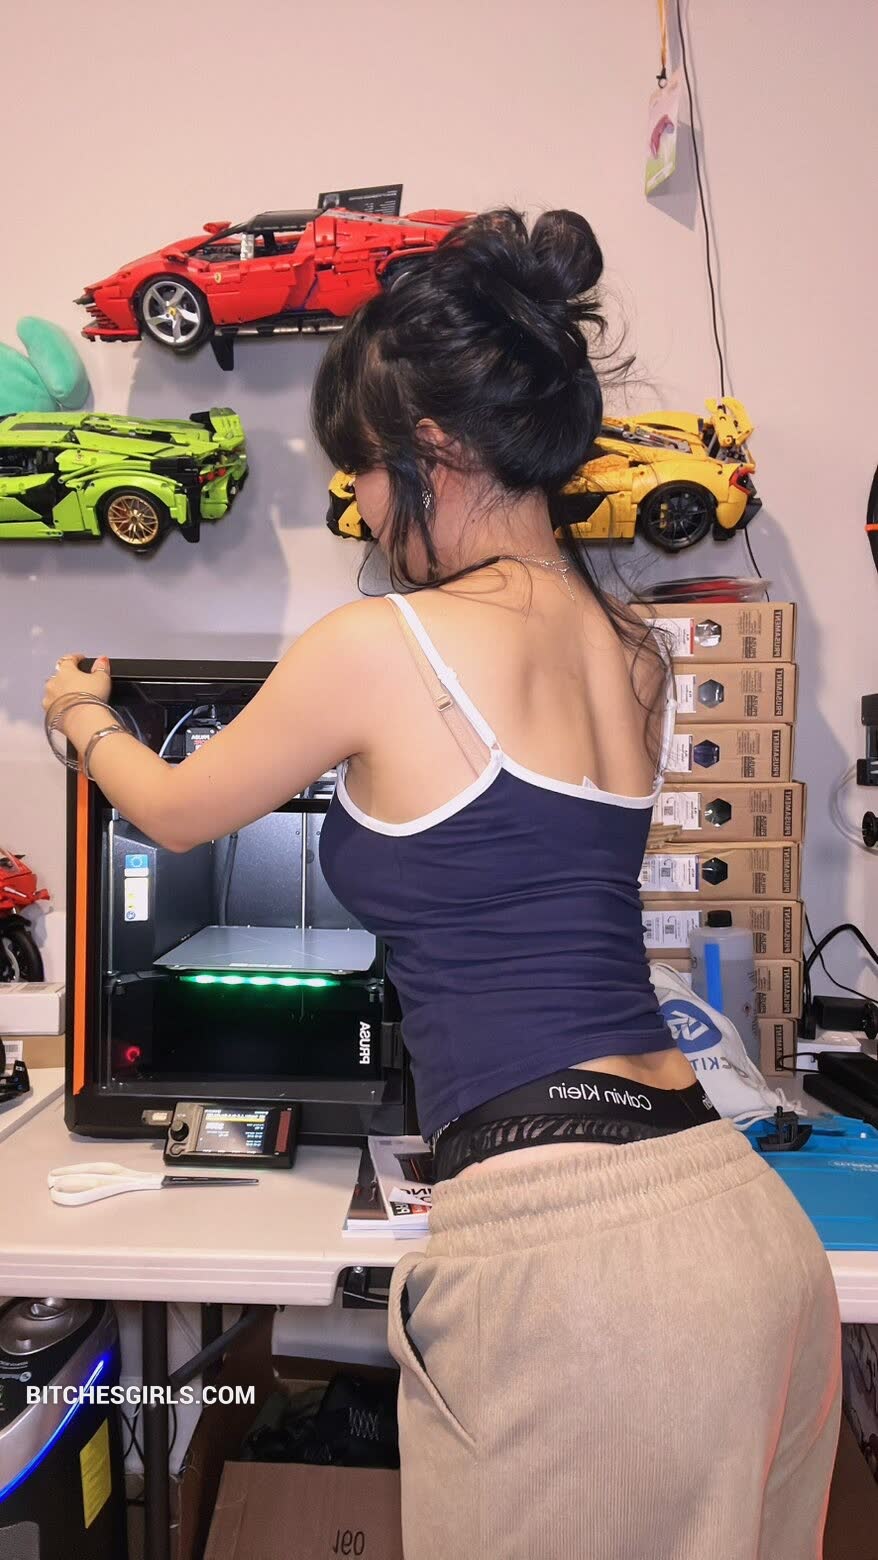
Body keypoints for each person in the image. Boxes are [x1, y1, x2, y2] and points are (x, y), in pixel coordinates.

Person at [43, 209, 840, 1560]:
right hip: (734, 1225)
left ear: (433, 449)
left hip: (573, 1266)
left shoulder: (382, 644)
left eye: (359, 471)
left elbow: (172, 810)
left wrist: (80, 718)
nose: (358, 507)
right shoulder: (633, 652)